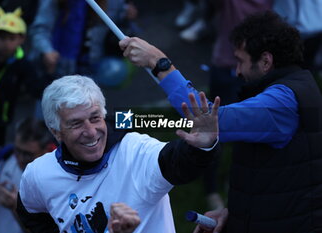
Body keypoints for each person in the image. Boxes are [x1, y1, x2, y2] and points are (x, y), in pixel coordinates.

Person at [119, 10, 322, 233]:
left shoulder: (281, 103)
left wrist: (159, 63)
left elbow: (207, 119)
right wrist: (235, 211)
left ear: (266, 61)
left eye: (240, 61)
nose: (236, 71)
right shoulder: (296, 87)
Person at [16, 74, 221, 233]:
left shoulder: (135, 152)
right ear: (56, 132)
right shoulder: (38, 174)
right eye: (76, 123)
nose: (90, 132)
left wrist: (201, 146)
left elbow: (177, 162)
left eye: (95, 118)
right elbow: (31, 214)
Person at [0, 6, 42, 168]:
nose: (6, 43)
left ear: (21, 40)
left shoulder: (23, 66)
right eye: (2, 38)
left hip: (0, 121)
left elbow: (35, 87)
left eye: (12, 39)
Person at [0, 117, 56, 233]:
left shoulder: (56, 178)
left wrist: (16, 208)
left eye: (28, 154)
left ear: (46, 150)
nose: (20, 159)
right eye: (18, 150)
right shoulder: (6, 155)